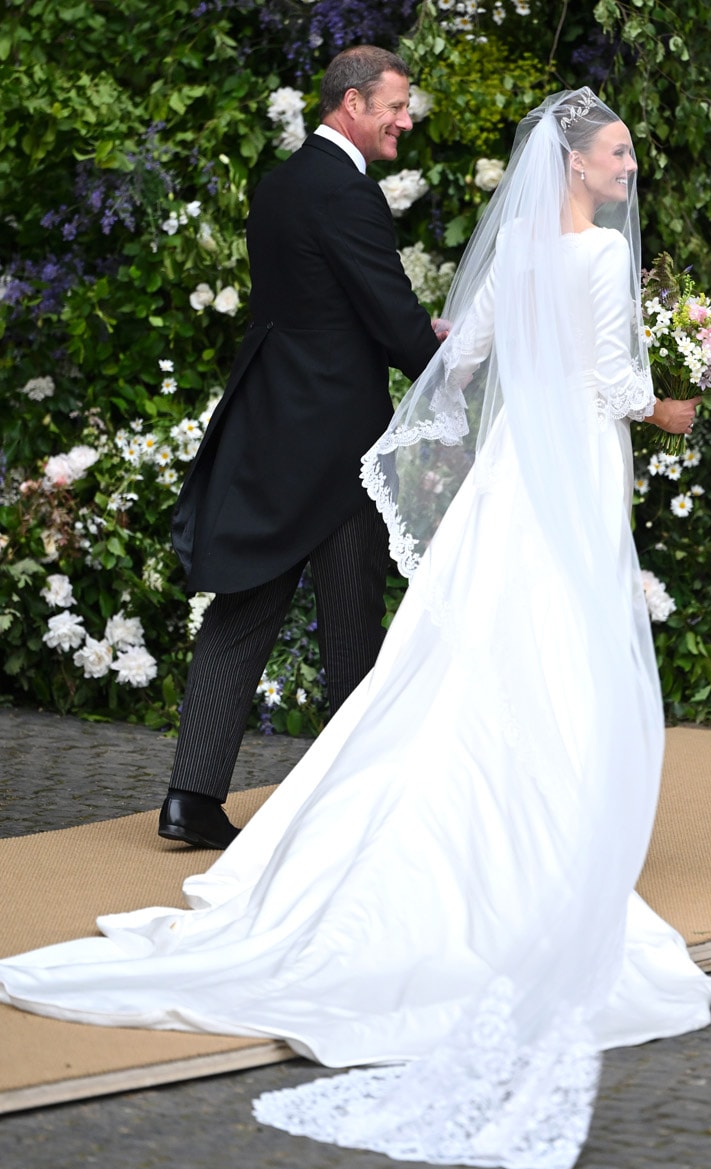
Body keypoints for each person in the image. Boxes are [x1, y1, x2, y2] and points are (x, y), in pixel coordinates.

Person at [0, 88, 711, 1169]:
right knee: (558, 645)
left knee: (460, 647)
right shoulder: (594, 259)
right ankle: (555, 841)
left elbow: (460, 362)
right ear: (573, 165)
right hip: (569, 469)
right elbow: (611, 382)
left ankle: (370, 814)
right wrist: (676, 407)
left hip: (511, 472)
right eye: (616, 153)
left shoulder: (514, 241)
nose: (628, 167)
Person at [160, 45, 443, 851]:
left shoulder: (281, 184)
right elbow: (386, 318)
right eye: (395, 104)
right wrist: (454, 374)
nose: (405, 118)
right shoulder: (347, 193)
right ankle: (353, 799)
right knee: (350, 612)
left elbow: (319, 305)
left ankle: (190, 796)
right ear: (351, 104)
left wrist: (417, 335)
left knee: (245, 606)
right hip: (337, 437)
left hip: (271, 422)